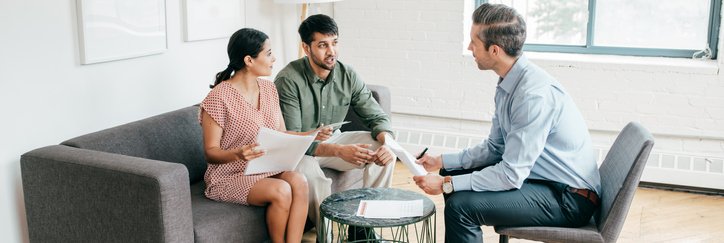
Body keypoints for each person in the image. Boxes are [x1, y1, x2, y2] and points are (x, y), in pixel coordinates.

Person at [412, 3, 602, 242]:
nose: (469, 47)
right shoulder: (510, 82)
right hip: (540, 179)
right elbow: (495, 148)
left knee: (459, 206)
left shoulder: (533, 96)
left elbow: (511, 174)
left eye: (474, 42)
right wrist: (441, 162)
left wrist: (446, 185)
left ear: (494, 50)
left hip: (568, 199)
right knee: (453, 172)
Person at [274, 14, 396, 241]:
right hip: (299, 152)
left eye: (334, 43)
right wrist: (339, 151)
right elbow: (294, 141)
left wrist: (387, 141)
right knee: (312, 175)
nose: (331, 51)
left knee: (382, 148)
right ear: (306, 47)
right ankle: (326, 236)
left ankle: (362, 228)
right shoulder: (288, 80)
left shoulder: (347, 74)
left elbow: (376, 115)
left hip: (332, 142)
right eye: (322, 45)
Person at [200, 28, 320, 243]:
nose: (274, 58)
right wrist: (238, 154)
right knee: (282, 190)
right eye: (269, 53)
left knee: (299, 181)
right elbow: (210, 152)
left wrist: (312, 134)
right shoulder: (218, 97)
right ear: (249, 60)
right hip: (228, 175)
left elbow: (281, 133)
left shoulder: (269, 89)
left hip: (264, 167)